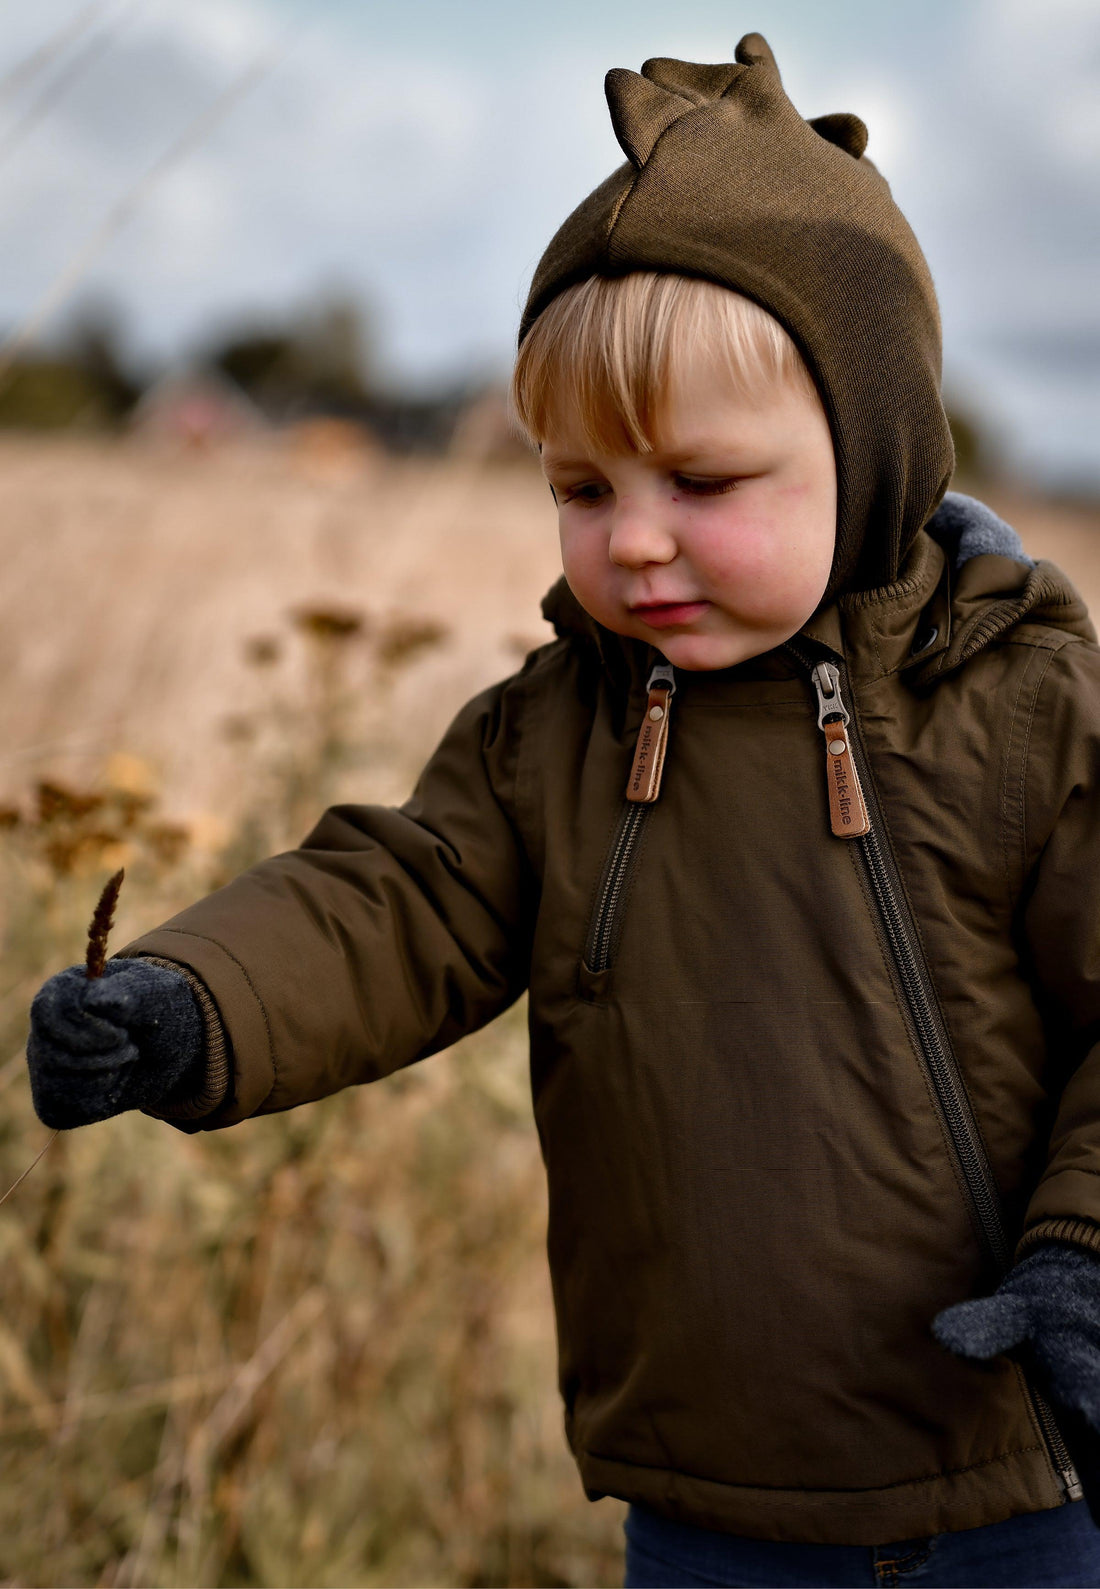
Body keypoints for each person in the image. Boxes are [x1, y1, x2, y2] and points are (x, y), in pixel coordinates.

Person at [24, 32, 1100, 1589]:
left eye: (703, 482)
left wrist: (1084, 1260)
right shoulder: (561, 733)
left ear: (869, 455)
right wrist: (190, 1000)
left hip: (1012, 1481)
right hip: (694, 1494)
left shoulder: (1012, 707)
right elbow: (395, 901)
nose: (637, 541)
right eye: (583, 490)